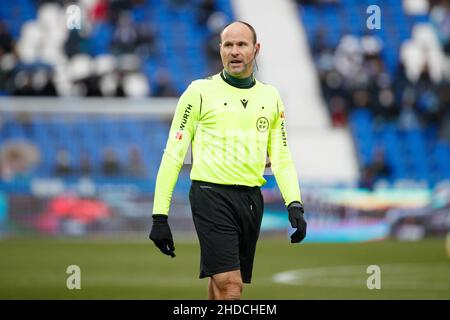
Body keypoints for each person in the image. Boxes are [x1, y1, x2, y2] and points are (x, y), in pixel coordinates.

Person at [149, 21, 307, 300]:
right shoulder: (198, 92)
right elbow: (173, 154)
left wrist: (294, 203)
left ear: (255, 49)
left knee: (220, 285)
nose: (234, 51)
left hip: (250, 200)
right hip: (210, 196)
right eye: (228, 45)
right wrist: (159, 216)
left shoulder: (270, 97)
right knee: (231, 286)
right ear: (220, 50)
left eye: (242, 44)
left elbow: (281, 157)